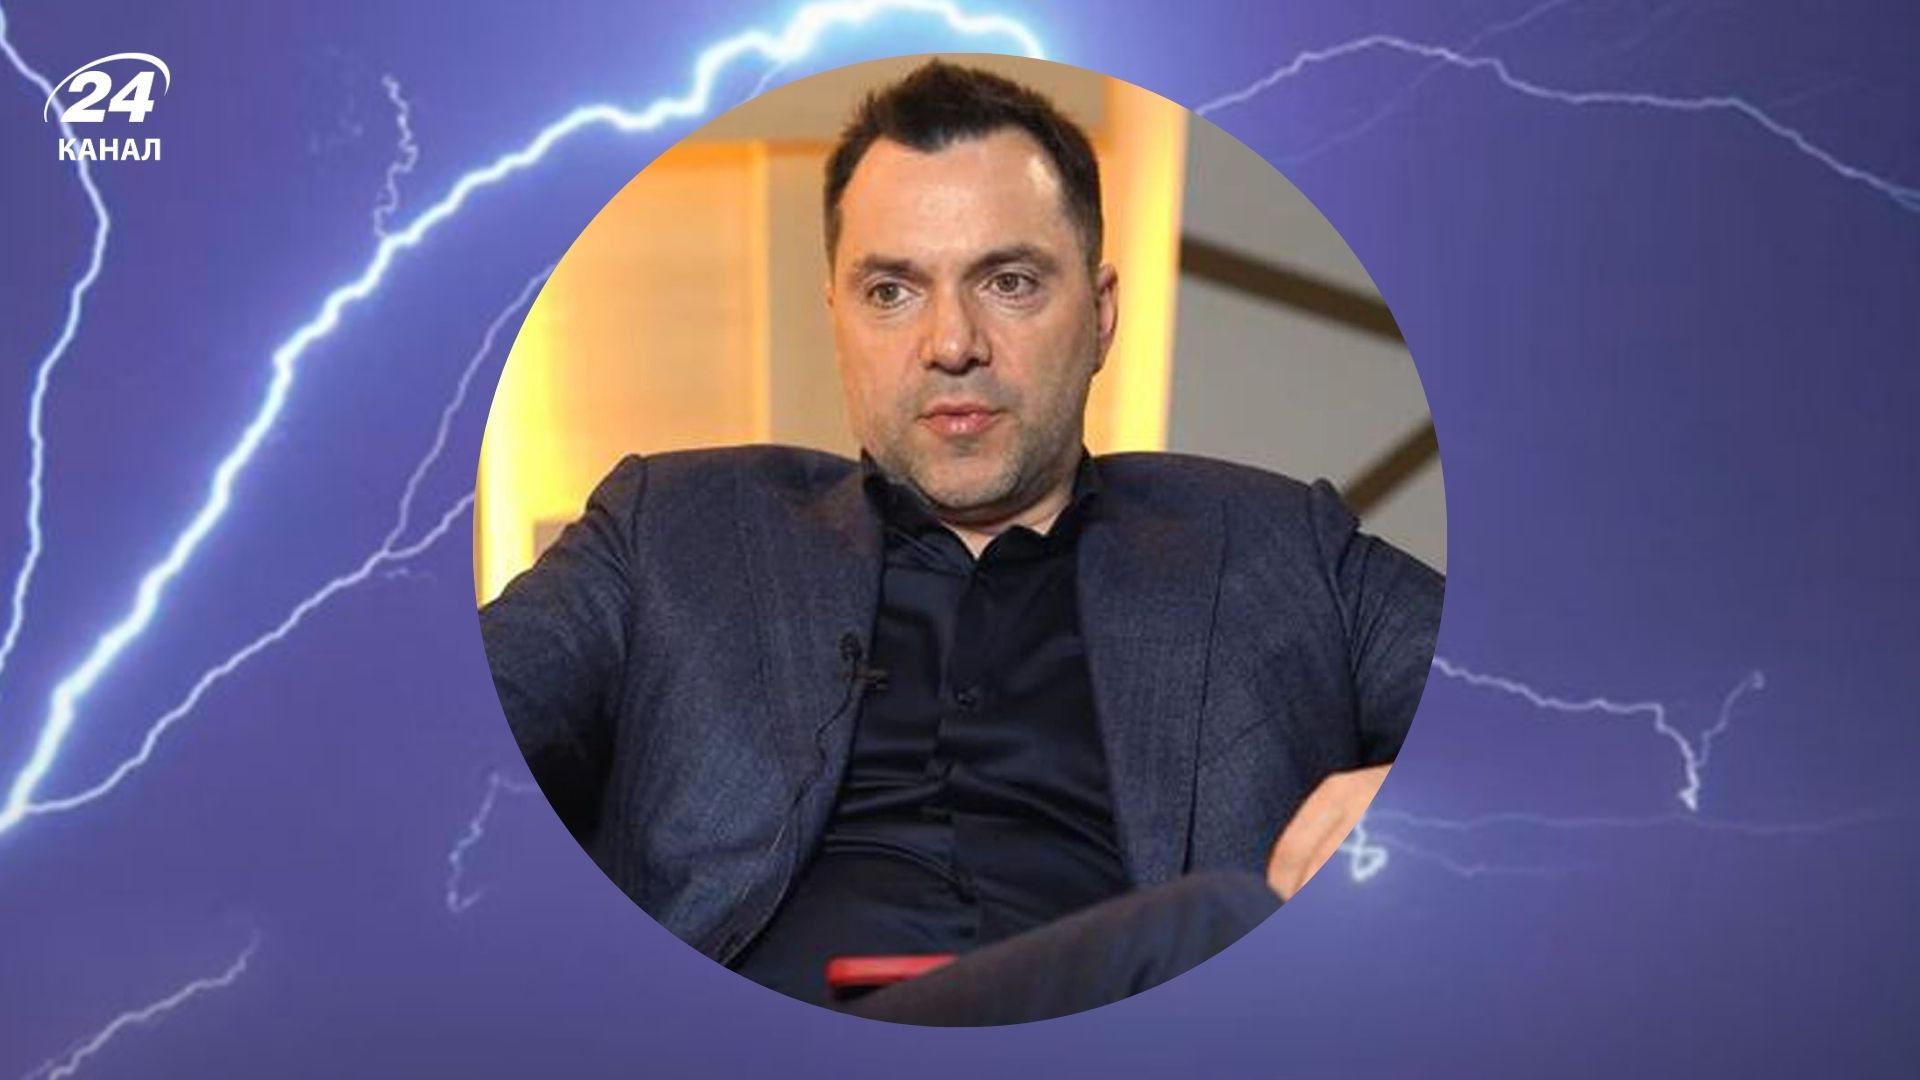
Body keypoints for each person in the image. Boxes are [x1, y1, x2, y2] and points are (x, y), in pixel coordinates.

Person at [479, 59, 1443, 1025]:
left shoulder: (1281, 545)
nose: (951, 343)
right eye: (891, 292)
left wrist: (1419, 799)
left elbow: (1523, 712)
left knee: (1223, 933)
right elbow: (431, 730)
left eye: (1009, 282)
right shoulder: (670, 530)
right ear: (837, 321)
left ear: (1102, 314)